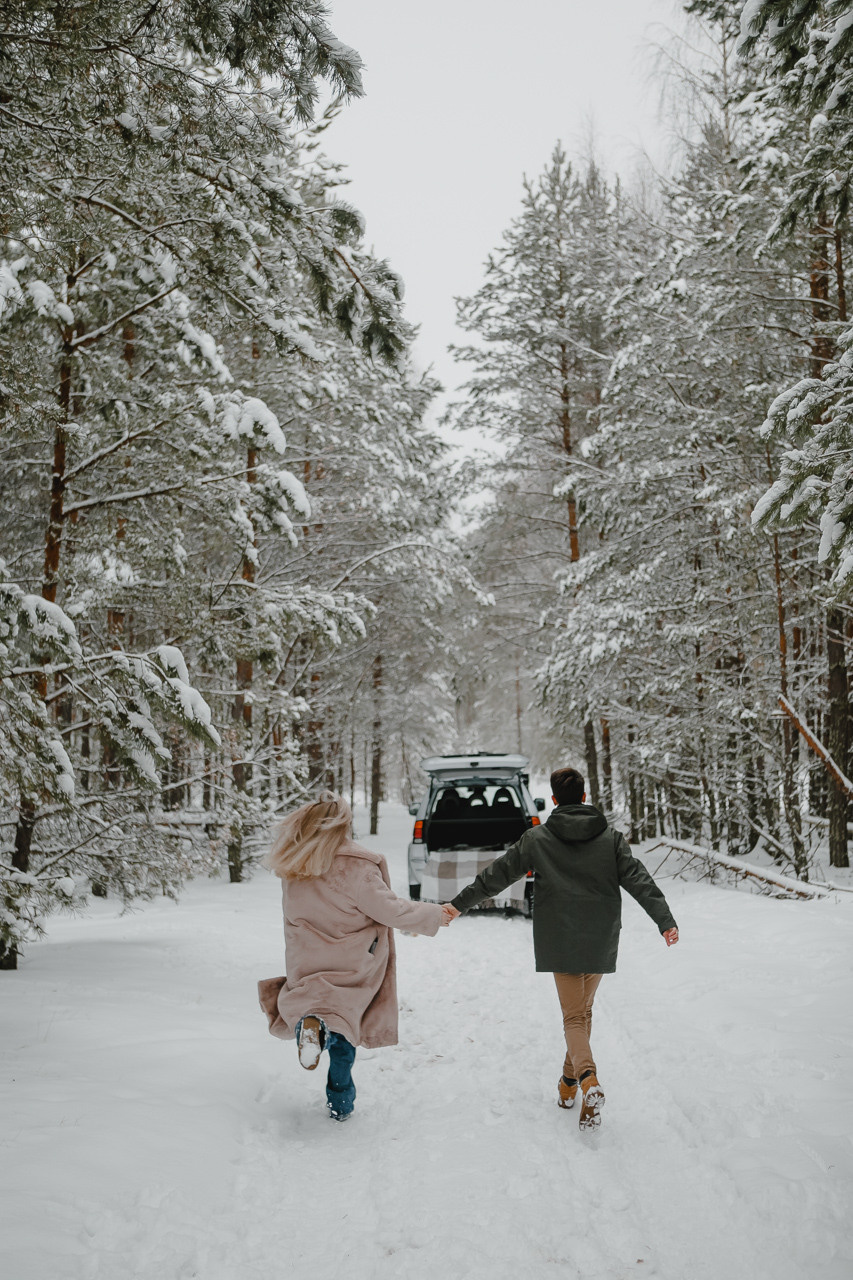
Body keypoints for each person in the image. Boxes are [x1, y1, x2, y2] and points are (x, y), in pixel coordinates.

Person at [445, 767, 678, 1131]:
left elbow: (497, 875)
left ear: (554, 800)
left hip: (560, 938)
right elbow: (639, 879)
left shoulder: (537, 839)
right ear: (584, 797)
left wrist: (458, 904)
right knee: (582, 1013)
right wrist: (665, 921)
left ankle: (588, 1080)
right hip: (600, 936)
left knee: (574, 1016)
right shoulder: (611, 839)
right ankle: (568, 1088)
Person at [258, 790, 454, 1121]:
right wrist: (435, 915)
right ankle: (340, 1102)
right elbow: (390, 910)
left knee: (316, 1011)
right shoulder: (356, 867)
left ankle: (310, 1030)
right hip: (350, 962)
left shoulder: (295, 865)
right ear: (343, 824)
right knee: (344, 1032)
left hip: (307, 958)